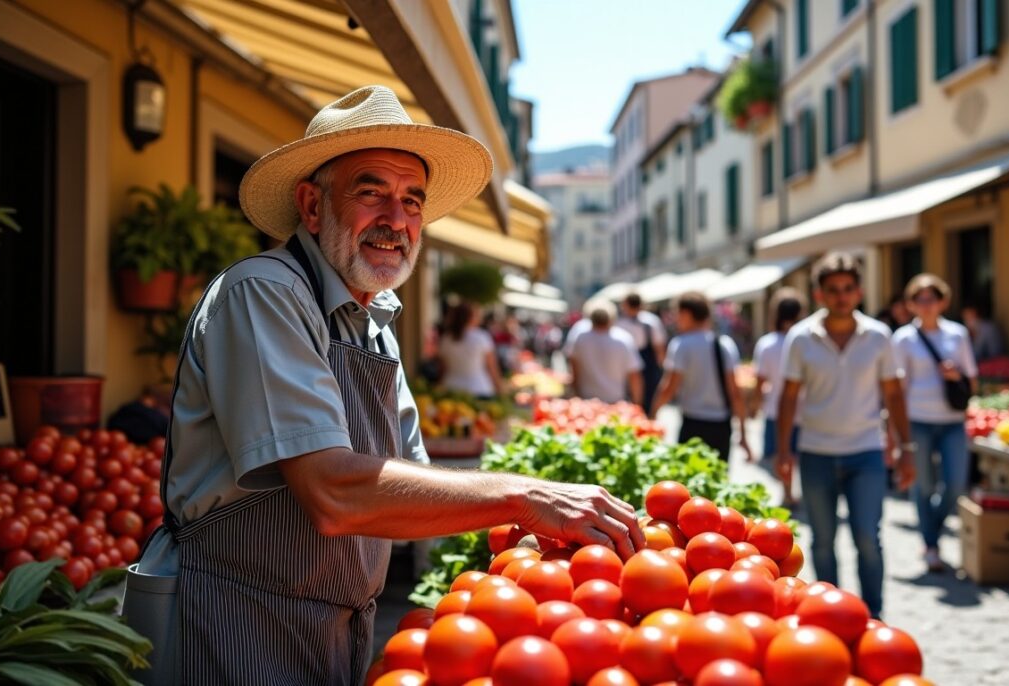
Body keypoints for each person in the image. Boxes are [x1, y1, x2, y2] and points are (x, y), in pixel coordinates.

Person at [121, 85, 644, 685]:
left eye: (412, 201)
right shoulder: (265, 293)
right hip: (234, 624)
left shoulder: (374, 323)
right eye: (372, 192)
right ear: (312, 207)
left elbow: (412, 486)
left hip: (336, 627)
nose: (397, 220)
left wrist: (521, 559)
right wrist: (525, 495)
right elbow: (332, 491)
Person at [774, 253, 916, 618]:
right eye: (833, 290)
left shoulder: (878, 336)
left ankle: (873, 616)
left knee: (868, 539)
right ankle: (831, 614)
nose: (841, 296)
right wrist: (783, 451)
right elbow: (788, 397)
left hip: (865, 452)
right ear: (820, 294)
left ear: (859, 291)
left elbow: (894, 393)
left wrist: (907, 447)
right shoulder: (801, 337)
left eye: (848, 289)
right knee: (822, 543)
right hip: (816, 452)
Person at [892, 274, 979, 573]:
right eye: (920, 299)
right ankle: (931, 544)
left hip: (952, 420)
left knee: (955, 484)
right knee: (924, 486)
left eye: (932, 298)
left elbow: (972, 377)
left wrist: (958, 379)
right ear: (912, 305)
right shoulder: (903, 338)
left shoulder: (957, 334)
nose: (926, 305)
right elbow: (897, 388)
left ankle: (933, 532)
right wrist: (894, 431)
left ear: (943, 301)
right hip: (918, 421)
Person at [651, 291, 752, 462]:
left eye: (678, 315)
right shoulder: (724, 344)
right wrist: (743, 433)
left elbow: (669, 387)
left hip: (693, 425)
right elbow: (735, 393)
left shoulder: (681, 345)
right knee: (718, 482)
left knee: (690, 481)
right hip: (721, 425)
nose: (676, 319)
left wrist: (652, 415)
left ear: (687, 314)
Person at [752, 288, 806, 506]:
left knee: (782, 454)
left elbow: (760, 381)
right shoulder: (805, 341)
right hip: (806, 409)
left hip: (776, 407)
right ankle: (798, 493)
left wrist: (754, 404)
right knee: (800, 455)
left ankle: (787, 492)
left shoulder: (766, 344)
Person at [565, 300, 643, 405]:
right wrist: (637, 403)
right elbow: (634, 376)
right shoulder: (623, 339)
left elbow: (574, 369)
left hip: (586, 399)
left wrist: (575, 392)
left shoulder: (580, 338)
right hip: (616, 401)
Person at [438, 301, 504, 398]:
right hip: (479, 389)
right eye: (476, 315)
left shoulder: (446, 339)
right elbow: (492, 367)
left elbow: (443, 368)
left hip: (451, 389)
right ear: (470, 317)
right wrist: (500, 388)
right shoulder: (482, 337)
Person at [615, 292, 667, 415]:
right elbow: (660, 348)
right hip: (644, 364)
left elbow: (658, 348)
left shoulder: (620, 323)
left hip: (644, 363)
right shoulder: (651, 321)